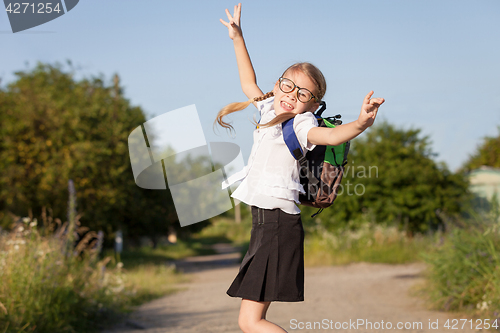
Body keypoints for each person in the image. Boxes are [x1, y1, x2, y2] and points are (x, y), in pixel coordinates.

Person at [216, 4, 385, 333]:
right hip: (266, 223)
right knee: (250, 320)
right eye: (288, 86)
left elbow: (334, 135)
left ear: (313, 103)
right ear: (278, 86)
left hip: (277, 225)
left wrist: (362, 122)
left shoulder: (302, 124)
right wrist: (238, 37)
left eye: (303, 93)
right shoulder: (269, 108)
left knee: (250, 321)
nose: (292, 95)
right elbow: (248, 81)